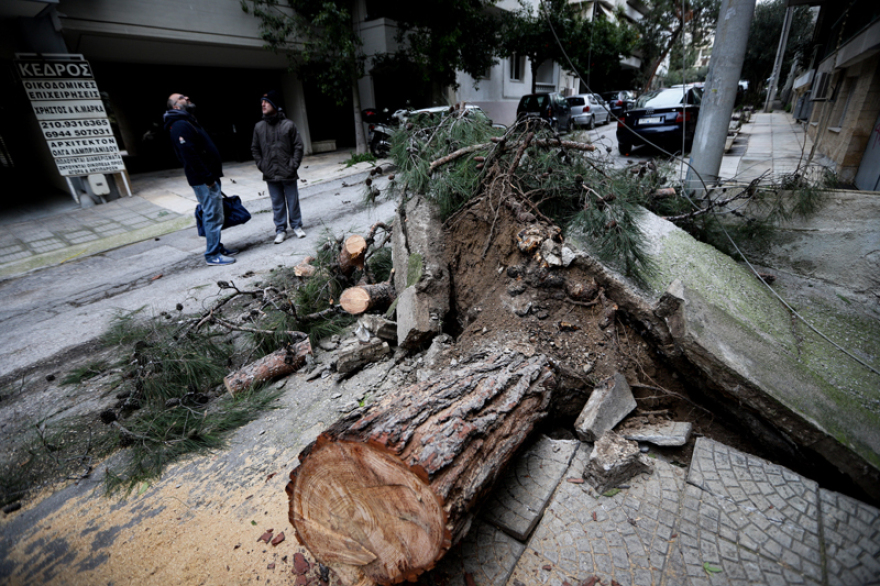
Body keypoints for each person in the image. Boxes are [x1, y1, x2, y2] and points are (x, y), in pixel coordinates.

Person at [163, 93, 237, 265]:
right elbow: (189, 155)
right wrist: (207, 177)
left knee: (216, 214)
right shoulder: (180, 124)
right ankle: (212, 255)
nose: (187, 97)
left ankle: (217, 247)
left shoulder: (187, 120)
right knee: (212, 215)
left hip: (208, 177)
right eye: (182, 97)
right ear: (175, 106)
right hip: (204, 179)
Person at [251, 90, 305, 243]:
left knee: (292, 200)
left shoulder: (289, 125)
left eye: (266, 102)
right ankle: (280, 230)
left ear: (274, 104)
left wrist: (293, 164)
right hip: (270, 173)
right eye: (261, 102)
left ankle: (296, 226)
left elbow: (298, 146)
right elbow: (255, 149)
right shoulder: (259, 127)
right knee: (277, 203)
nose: (263, 104)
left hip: (288, 171)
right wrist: (262, 165)